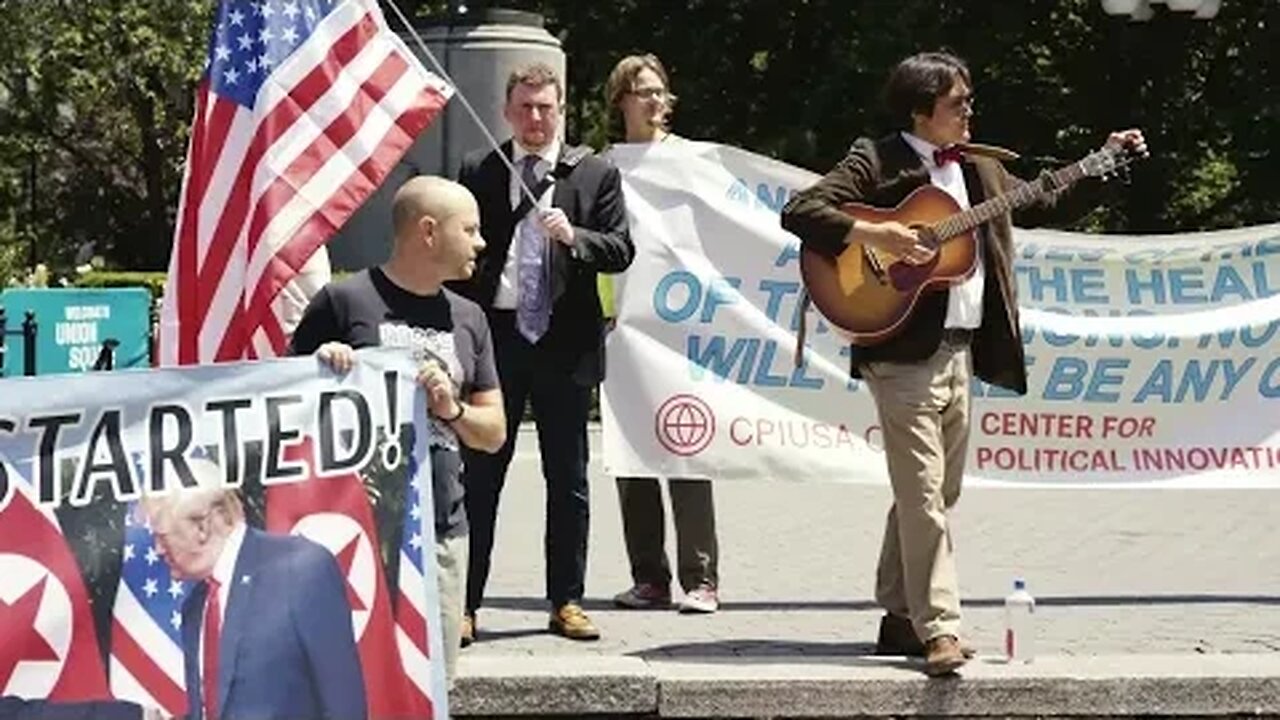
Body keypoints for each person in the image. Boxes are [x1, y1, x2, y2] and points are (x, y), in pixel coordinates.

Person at [780, 51, 1144, 676]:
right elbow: (803, 211)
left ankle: (898, 615)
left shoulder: (979, 167)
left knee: (936, 493)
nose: (970, 111)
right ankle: (940, 630)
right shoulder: (877, 158)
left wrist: (1098, 164)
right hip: (900, 353)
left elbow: (1045, 201)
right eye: (958, 103)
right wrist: (878, 236)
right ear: (921, 112)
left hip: (959, 351)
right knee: (923, 494)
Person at [287, 175, 506, 685]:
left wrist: (451, 410)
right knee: (351, 685)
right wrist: (320, 370)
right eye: (470, 230)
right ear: (428, 232)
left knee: (434, 687)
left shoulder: (470, 318)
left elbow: (493, 432)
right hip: (354, 537)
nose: (481, 242)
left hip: (443, 532)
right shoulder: (342, 303)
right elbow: (283, 414)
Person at [454, 62, 634, 642]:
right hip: (497, 343)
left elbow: (621, 248)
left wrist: (574, 238)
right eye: (526, 108)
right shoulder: (480, 170)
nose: (536, 118)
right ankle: (464, 604)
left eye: (546, 108)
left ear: (562, 111)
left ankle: (567, 602)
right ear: (508, 112)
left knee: (568, 479)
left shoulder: (594, 173)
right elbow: (462, 264)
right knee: (480, 479)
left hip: (564, 343)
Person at [603, 53, 720, 614]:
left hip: (680, 325)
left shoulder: (692, 162)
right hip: (623, 328)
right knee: (633, 456)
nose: (654, 100)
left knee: (686, 450)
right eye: (642, 91)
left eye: (660, 91)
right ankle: (649, 577)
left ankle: (701, 579)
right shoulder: (605, 167)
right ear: (620, 100)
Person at [142, 459, 366, 719]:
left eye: (162, 535)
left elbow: (345, 709)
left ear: (201, 527)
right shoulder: (196, 608)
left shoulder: (299, 570)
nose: (157, 549)